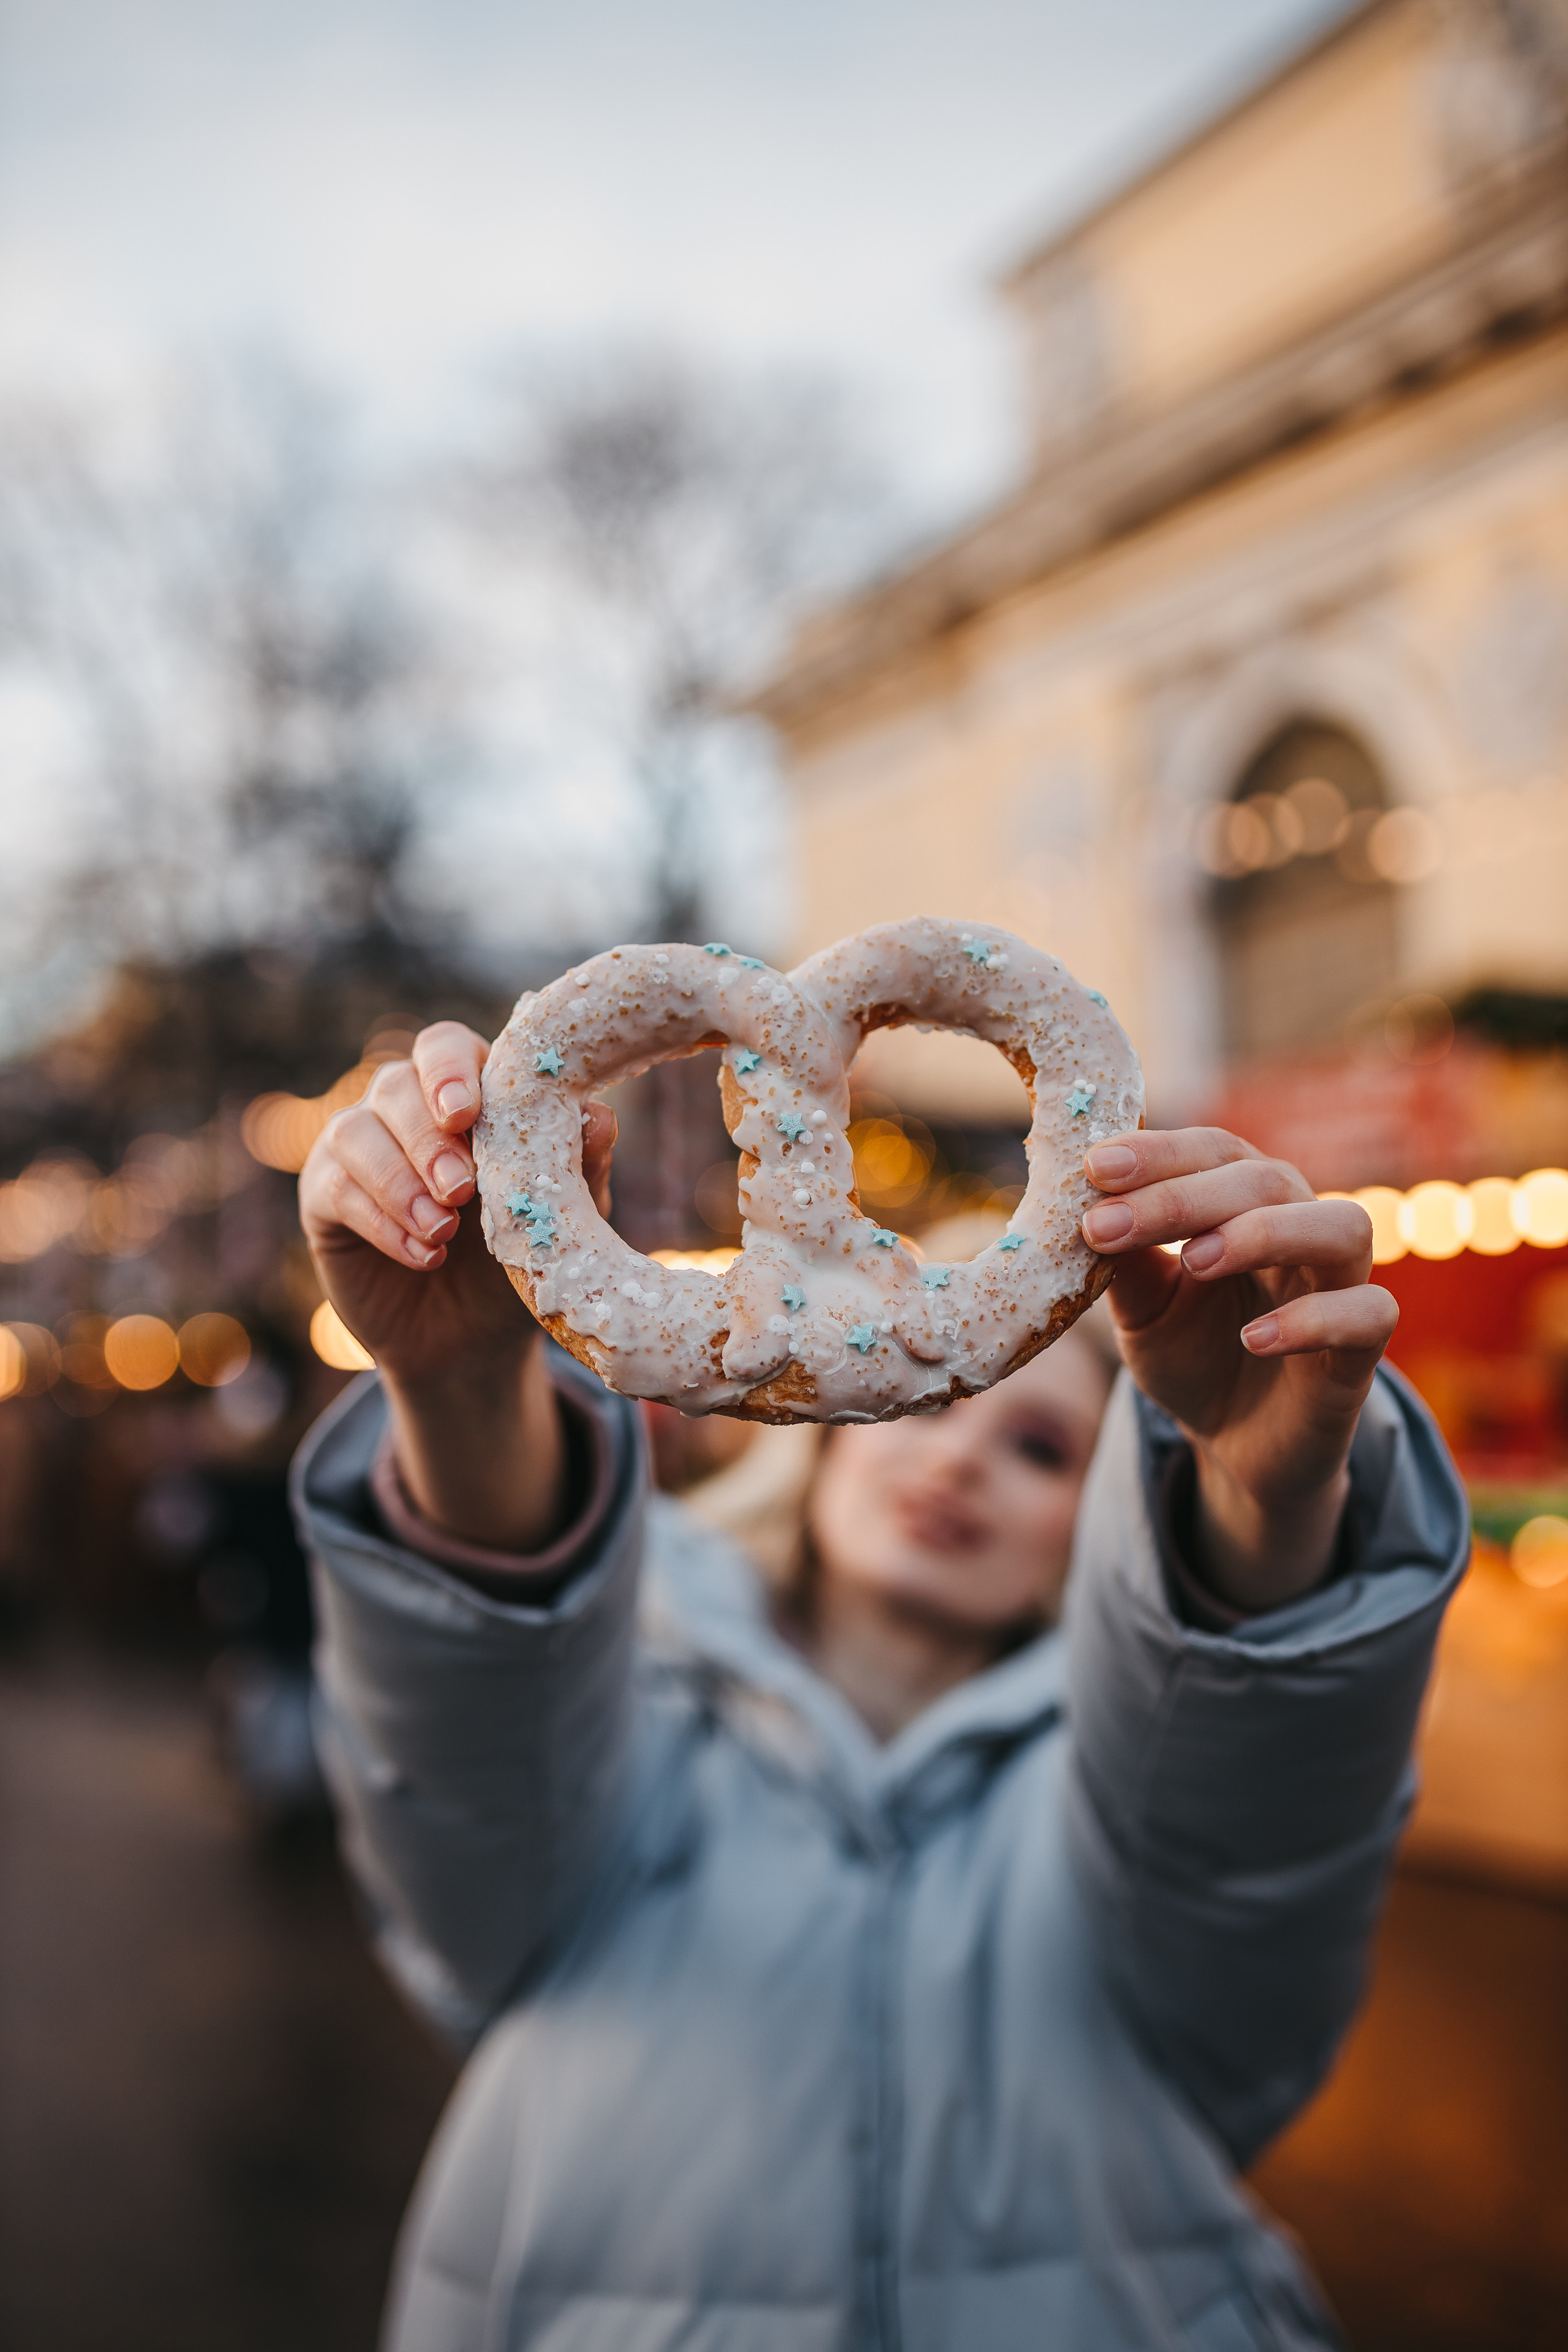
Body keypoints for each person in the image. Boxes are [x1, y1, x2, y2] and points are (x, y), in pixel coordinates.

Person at [293, 1020, 1468, 2352]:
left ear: (1099, 1511)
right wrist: (456, 1393)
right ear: (821, 1421)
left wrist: (1260, 1501)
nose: (957, 1464)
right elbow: (469, 1813)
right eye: (916, 1401)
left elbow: (1250, 1871)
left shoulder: (1134, 1802)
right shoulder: (619, 1724)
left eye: (1033, 1442)